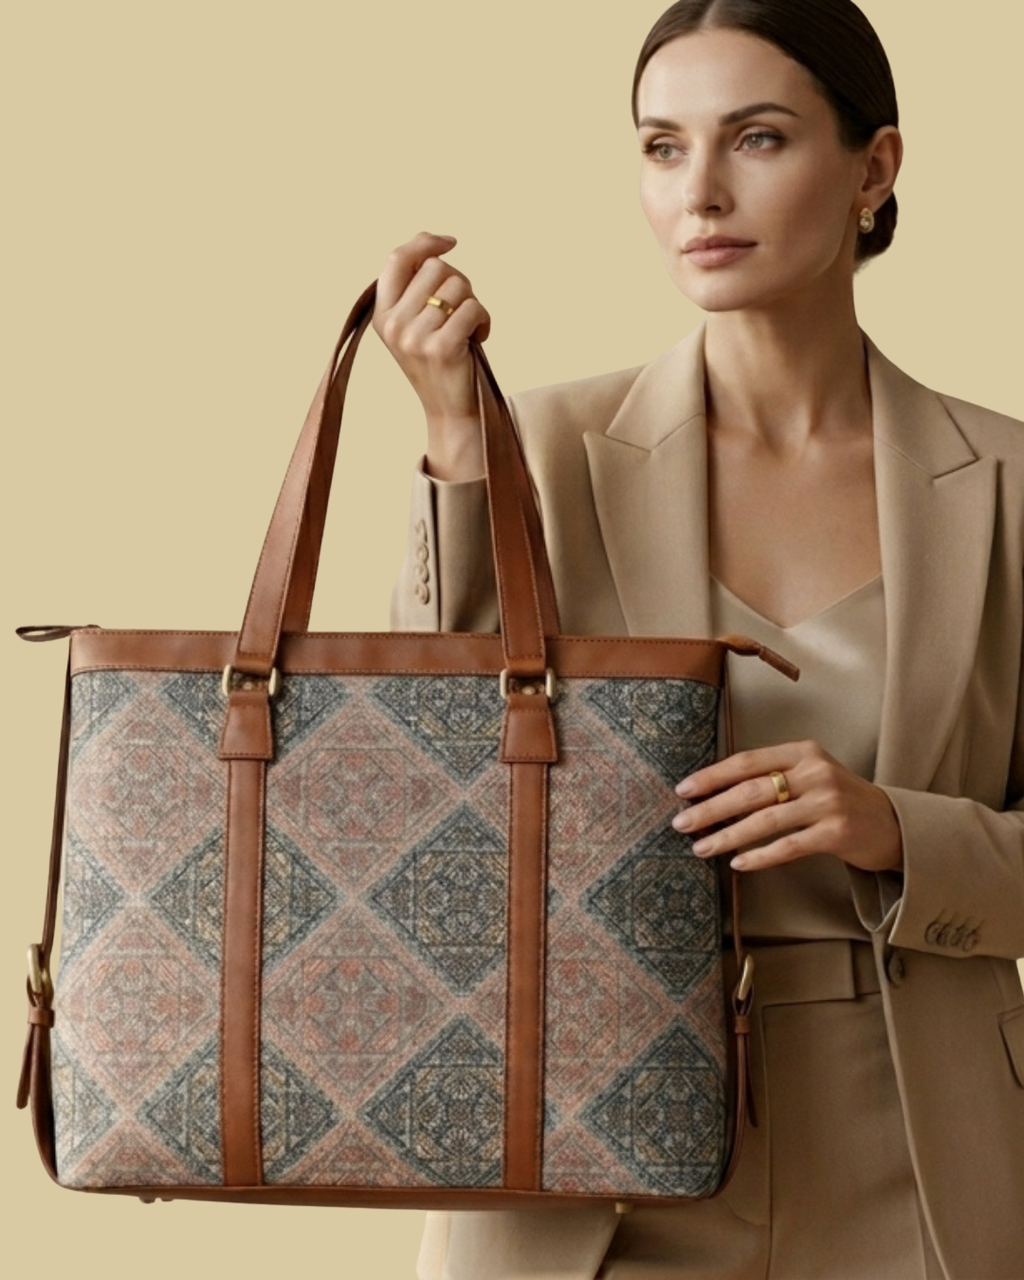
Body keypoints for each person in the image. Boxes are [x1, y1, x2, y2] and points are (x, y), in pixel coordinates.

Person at [374, 2, 1024, 1276]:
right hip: (587, 1160)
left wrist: (901, 828)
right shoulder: (537, 447)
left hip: (921, 1157)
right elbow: (431, 781)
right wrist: (457, 442)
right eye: (662, 147)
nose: (701, 192)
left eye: (759, 139)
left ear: (874, 170)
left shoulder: (1005, 483)